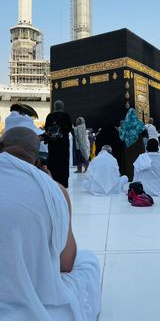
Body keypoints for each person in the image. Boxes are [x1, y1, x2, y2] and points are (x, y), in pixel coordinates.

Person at [0, 127, 101, 321]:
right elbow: (66, 264)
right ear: (36, 157)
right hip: (29, 300)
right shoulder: (53, 190)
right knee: (88, 261)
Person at [45, 100, 72, 188]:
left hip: (52, 144)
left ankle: (52, 181)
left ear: (54, 107)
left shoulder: (49, 116)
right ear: (62, 107)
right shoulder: (66, 116)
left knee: (52, 161)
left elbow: (46, 129)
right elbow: (69, 128)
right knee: (63, 162)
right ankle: (63, 183)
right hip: (63, 144)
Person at [119, 108, 148, 181]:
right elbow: (144, 131)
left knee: (129, 161)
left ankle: (130, 177)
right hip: (139, 145)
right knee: (139, 161)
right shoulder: (139, 123)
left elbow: (121, 137)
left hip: (128, 146)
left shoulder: (125, 124)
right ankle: (140, 178)